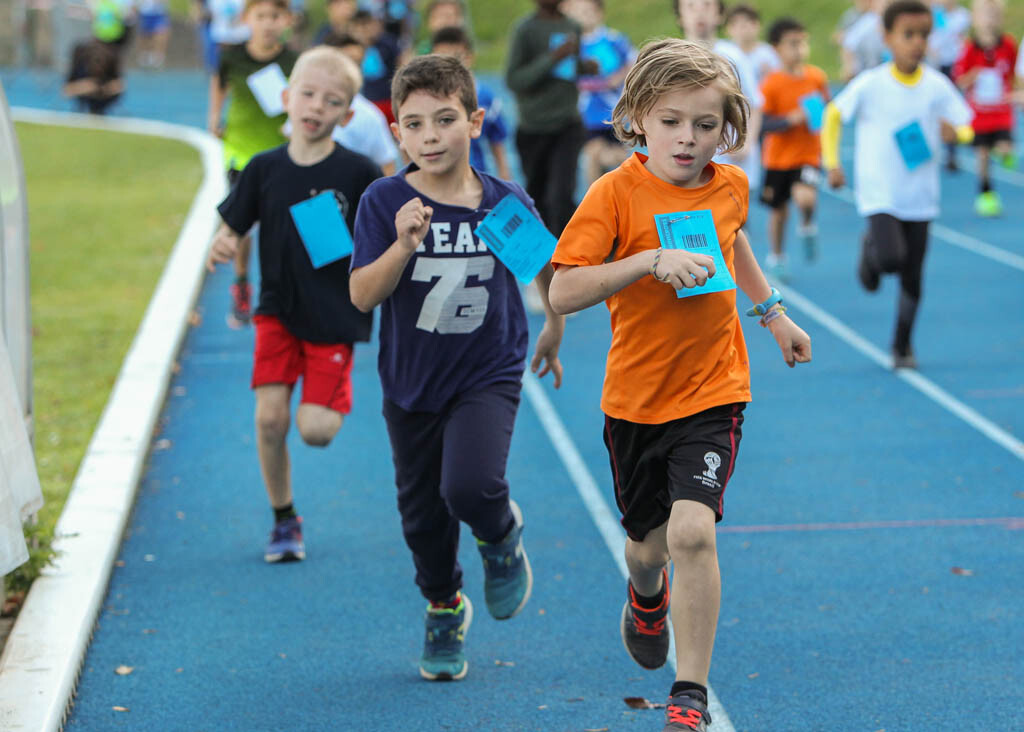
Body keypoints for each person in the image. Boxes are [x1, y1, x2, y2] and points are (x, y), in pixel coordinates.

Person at [546, 37, 811, 732]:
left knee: (693, 533)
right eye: (671, 122)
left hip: (714, 390)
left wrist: (773, 314)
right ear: (638, 118)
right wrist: (646, 262)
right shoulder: (614, 193)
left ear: (726, 129)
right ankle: (646, 596)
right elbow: (564, 289)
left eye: (705, 124)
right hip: (636, 401)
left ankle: (689, 693)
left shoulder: (731, 186)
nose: (688, 138)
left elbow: (734, 240)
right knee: (647, 549)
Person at [349, 54, 565, 681]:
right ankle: (444, 606)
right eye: (415, 125)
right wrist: (403, 245)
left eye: (445, 120)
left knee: (469, 486)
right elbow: (362, 295)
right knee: (423, 518)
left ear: (475, 122)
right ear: (398, 133)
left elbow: (545, 269)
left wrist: (553, 326)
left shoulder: (501, 203)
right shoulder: (385, 200)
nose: (431, 136)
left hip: (486, 370)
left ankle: (500, 536)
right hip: (412, 380)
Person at [207, 46, 380, 563]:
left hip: (334, 315)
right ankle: (284, 519)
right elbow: (233, 224)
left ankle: (334, 385)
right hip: (276, 309)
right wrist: (221, 242)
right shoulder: (263, 168)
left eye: (332, 101)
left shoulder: (360, 172)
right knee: (269, 420)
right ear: (286, 98)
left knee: (316, 431)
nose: (316, 106)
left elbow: (384, 235)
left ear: (346, 115)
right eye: (308, 94)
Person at [824, 0, 972, 369]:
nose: (917, 42)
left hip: (921, 194)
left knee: (912, 275)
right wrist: (832, 163)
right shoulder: (872, 83)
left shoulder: (936, 85)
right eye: (908, 35)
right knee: (891, 259)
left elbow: (965, 123)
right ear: (887, 37)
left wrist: (957, 133)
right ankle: (871, 252)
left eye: (924, 35)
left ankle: (902, 345)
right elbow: (833, 114)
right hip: (880, 192)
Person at [208, 0, 296, 327]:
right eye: (261, 16)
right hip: (240, 152)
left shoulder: (294, 61)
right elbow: (219, 84)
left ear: (287, 20)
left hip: (282, 153)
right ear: (247, 19)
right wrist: (214, 116)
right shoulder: (231, 57)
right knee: (240, 224)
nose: (268, 23)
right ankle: (242, 284)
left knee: (283, 225)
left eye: (275, 16)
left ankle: (281, 290)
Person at [506, 0, 595, 238]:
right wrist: (552, 58)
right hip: (533, 128)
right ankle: (542, 253)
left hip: (567, 125)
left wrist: (585, 67)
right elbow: (514, 80)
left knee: (561, 195)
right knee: (537, 197)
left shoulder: (572, 26)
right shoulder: (525, 30)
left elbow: (568, 70)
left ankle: (569, 251)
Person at [758, 17, 831, 281]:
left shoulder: (816, 77)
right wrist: (790, 120)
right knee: (779, 212)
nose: (799, 49)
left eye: (802, 43)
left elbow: (827, 107)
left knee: (805, 198)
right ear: (776, 48)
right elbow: (763, 123)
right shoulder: (771, 83)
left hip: (808, 154)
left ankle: (807, 224)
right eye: (792, 44)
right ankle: (777, 256)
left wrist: (821, 115)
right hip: (778, 159)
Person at [675, 0, 764, 191]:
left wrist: (746, 142)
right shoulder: (673, 59)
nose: (699, 12)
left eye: (707, 5)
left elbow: (754, 104)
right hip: (687, 158)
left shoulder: (734, 56)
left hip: (730, 157)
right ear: (680, 17)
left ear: (719, 15)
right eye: (691, 6)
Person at [952, 0, 1018, 217]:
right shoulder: (970, 48)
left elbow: (1015, 73)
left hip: (1001, 112)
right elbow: (959, 80)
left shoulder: (1007, 45)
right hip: (979, 113)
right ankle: (986, 194)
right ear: (975, 19)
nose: (989, 20)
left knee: (1004, 148)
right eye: (985, 15)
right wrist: (973, 75)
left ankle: (1004, 152)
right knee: (982, 156)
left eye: (993, 15)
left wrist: (1015, 92)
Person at [563, 0, 636, 188]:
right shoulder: (569, 45)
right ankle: (594, 199)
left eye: (588, 11)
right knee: (592, 154)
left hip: (613, 112)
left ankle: (622, 196)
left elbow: (635, 61)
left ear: (599, 13)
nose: (583, 16)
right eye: (578, 12)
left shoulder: (613, 39)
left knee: (618, 158)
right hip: (586, 115)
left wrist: (617, 78)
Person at [430, 25, 513, 180]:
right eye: (442, 59)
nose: (449, 67)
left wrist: (504, 175)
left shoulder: (484, 97)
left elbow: (496, 140)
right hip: (437, 180)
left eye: (456, 58)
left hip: (475, 178)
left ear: (470, 57)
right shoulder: (425, 99)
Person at [317, 33, 400, 175]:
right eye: (345, 63)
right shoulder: (306, 104)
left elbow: (387, 166)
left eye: (357, 63)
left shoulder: (369, 115)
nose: (352, 70)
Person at [928, 0, 971, 169]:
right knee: (937, 106)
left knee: (953, 106)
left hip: (955, 66)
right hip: (938, 66)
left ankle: (952, 150)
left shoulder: (962, 16)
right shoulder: (936, 13)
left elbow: (964, 39)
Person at [349, 8, 402, 123]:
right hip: (366, 100)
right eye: (358, 26)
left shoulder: (388, 43)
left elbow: (400, 65)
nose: (363, 30)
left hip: (389, 99)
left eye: (366, 25)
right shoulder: (350, 48)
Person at [64, 37, 124, 114]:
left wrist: (105, 89)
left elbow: (120, 86)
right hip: (84, 100)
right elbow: (66, 90)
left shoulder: (112, 56)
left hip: (103, 102)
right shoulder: (80, 57)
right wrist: (86, 87)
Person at [723, 3, 778, 82]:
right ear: (727, 28)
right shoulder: (723, 52)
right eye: (736, 22)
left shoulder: (769, 53)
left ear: (758, 25)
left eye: (749, 21)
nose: (743, 26)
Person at [841, 0, 890, 81]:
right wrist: (849, 68)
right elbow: (848, 45)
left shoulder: (898, 21)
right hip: (868, 73)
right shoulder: (867, 23)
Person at [136, 0, 171, 68]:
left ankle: (158, 57)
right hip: (145, 12)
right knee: (145, 36)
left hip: (160, 12)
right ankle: (145, 56)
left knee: (161, 34)